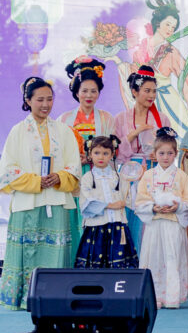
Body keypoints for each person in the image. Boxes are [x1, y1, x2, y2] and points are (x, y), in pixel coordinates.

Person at [0, 77, 81, 309]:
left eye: (49, 99)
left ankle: (54, 299)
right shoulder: (17, 131)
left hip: (55, 201)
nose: (45, 104)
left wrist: (60, 177)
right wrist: (35, 181)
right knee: (27, 251)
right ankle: (24, 299)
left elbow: (74, 166)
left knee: (55, 254)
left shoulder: (63, 130)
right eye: (40, 99)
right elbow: (7, 170)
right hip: (28, 202)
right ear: (28, 100)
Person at [134, 128, 188, 309]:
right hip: (155, 224)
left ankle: (172, 296)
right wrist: (152, 207)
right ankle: (154, 296)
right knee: (153, 257)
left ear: (176, 154)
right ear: (155, 154)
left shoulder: (181, 176)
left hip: (173, 224)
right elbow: (140, 200)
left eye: (170, 153)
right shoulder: (148, 175)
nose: (166, 157)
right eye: (161, 153)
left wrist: (179, 207)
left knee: (172, 257)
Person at [60, 56, 117, 243]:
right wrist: (76, 159)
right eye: (84, 90)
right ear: (77, 92)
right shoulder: (64, 119)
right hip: (74, 173)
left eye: (93, 91)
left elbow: (112, 149)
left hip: (98, 173)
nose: (89, 95)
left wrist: (92, 158)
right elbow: (59, 151)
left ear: (99, 93)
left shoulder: (107, 118)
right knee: (74, 218)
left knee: (98, 216)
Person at [113, 65, 170, 251]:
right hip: (129, 173)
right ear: (134, 91)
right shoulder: (121, 118)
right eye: (147, 90)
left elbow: (170, 150)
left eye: (154, 91)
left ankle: (150, 266)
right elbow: (116, 153)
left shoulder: (162, 119)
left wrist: (160, 154)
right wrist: (134, 133)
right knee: (129, 218)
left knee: (152, 221)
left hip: (154, 170)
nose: (151, 95)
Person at [74, 135, 137, 270]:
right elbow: (86, 203)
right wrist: (110, 205)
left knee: (119, 264)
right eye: (96, 153)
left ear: (112, 155)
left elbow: (130, 199)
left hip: (118, 227)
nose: (101, 157)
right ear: (90, 155)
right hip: (96, 228)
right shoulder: (87, 178)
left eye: (105, 153)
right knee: (96, 263)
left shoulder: (120, 177)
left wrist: (130, 194)